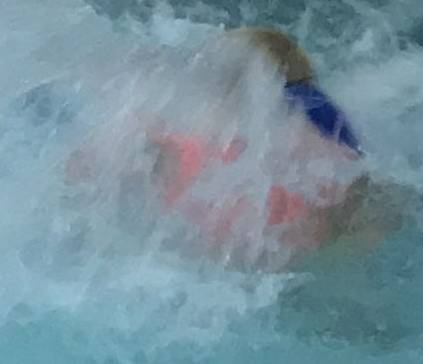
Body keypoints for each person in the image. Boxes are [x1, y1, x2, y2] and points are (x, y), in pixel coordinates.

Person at [70, 22, 376, 268]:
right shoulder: (319, 144)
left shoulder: (175, 139)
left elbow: (83, 170)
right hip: (288, 255)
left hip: (197, 258)